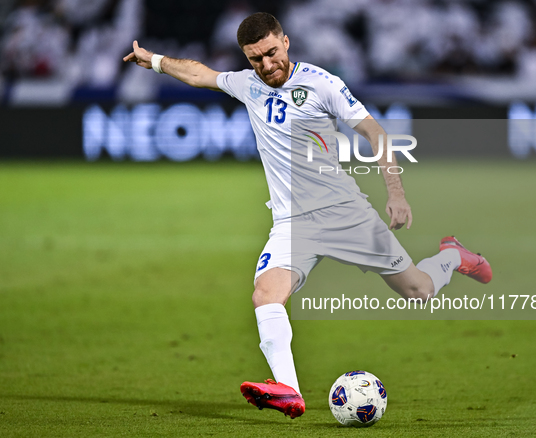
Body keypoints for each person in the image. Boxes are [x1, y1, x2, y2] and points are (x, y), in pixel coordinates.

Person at [124, 12, 492, 420]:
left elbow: (376, 134)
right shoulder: (249, 85)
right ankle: (289, 391)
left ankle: (452, 256)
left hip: (344, 214)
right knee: (265, 294)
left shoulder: (322, 84)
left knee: (418, 290)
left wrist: (396, 193)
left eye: (270, 53)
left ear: (285, 41)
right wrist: (155, 61)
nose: (266, 66)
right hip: (291, 225)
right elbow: (200, 73)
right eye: (254, 59)